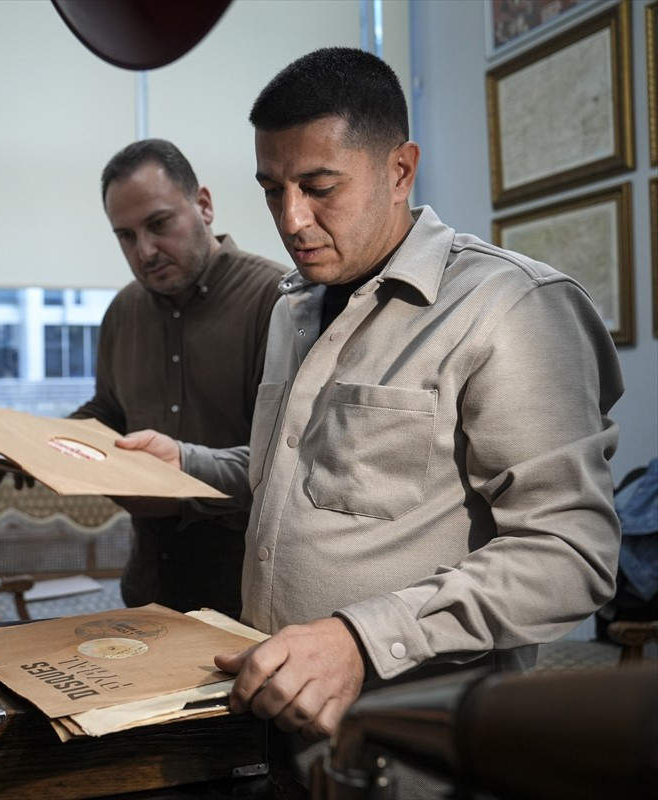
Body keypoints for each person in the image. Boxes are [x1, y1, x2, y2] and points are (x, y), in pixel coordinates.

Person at [116, 47, 623, 774]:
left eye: (320, 187)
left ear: (400, 170)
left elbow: (570, 554)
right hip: (274, 717)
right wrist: (187, 462)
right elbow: (300, 476)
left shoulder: (511, 307)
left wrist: (360, 638)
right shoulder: (296, 305)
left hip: (414, 744)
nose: (292, 219)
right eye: (272, 189)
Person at [71, 138, 287, 620]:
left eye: (159, 224)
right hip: (150, 585)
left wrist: (184, 467)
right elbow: (108, 411)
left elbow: (292, 462)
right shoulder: (123, 310)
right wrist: (41, 444)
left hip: (246, 594)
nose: (145, 250)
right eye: (125, 236)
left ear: (203, 206)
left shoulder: (278, 302)